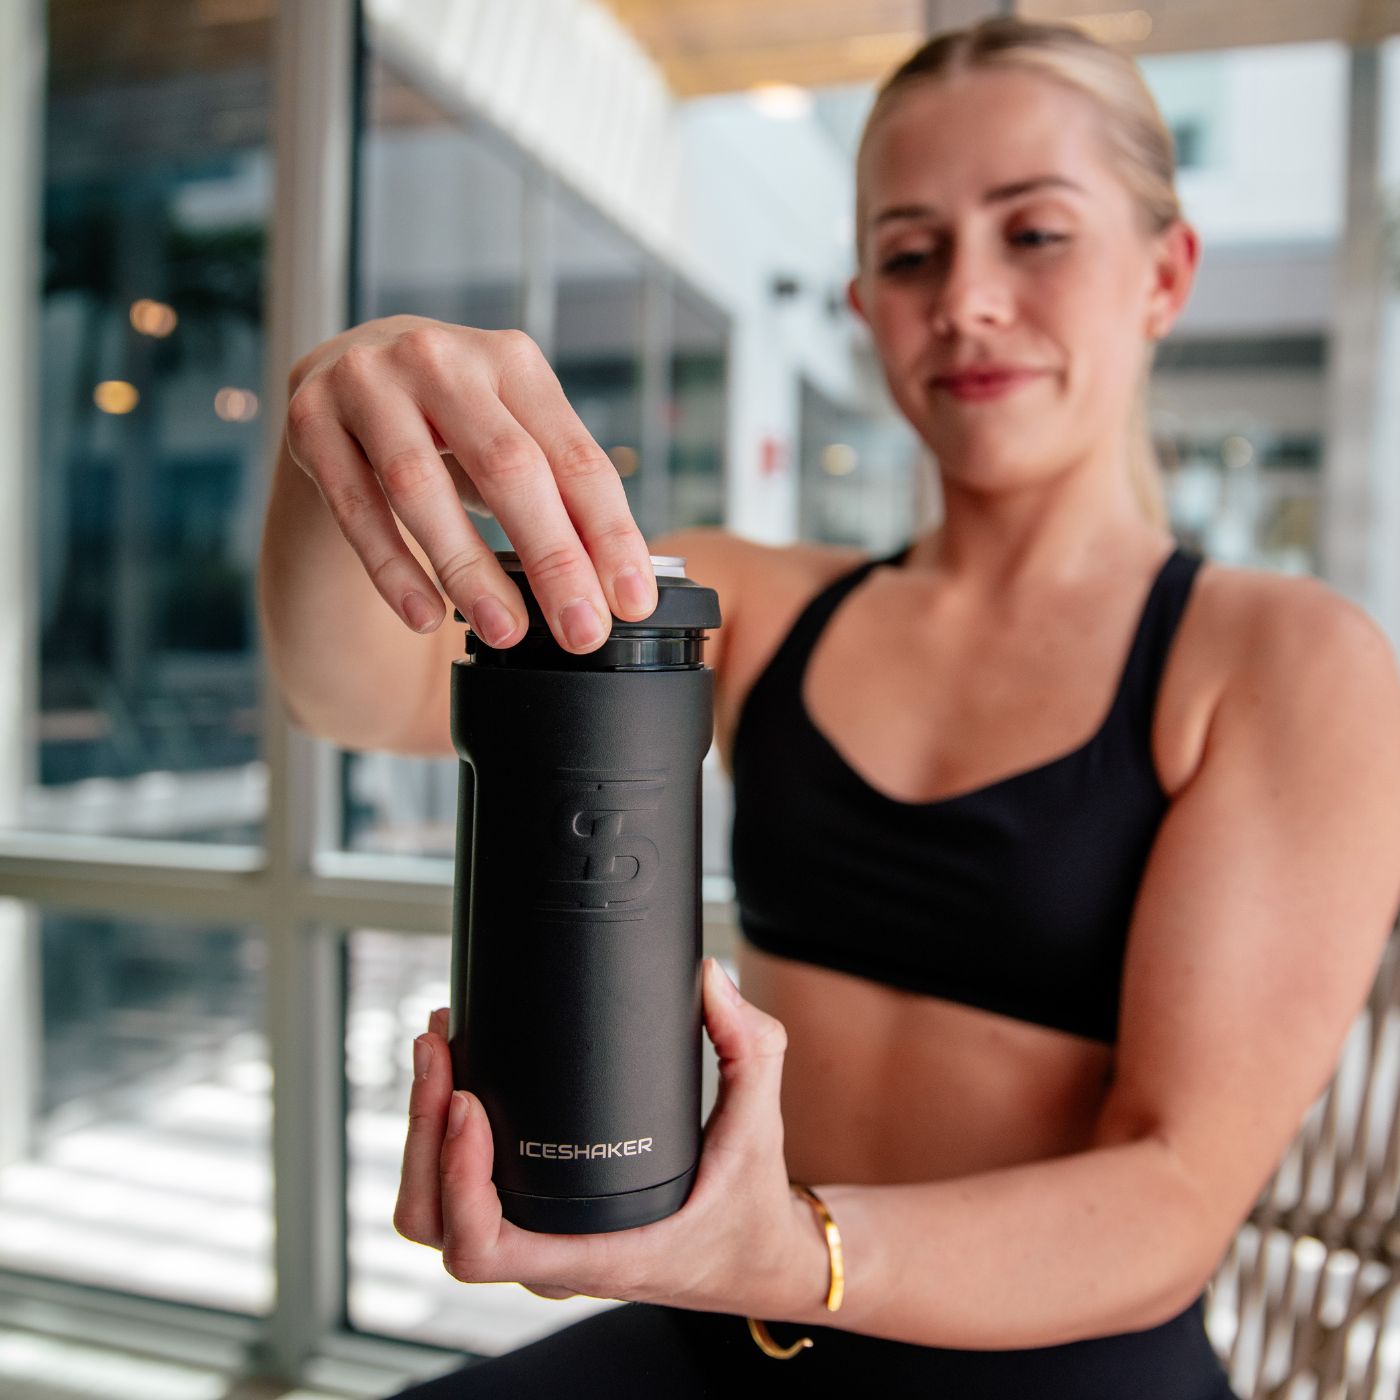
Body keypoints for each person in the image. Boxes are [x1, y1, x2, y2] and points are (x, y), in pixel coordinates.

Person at [257, 16, 1400, 1399]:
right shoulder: (758, 602)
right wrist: (339, 424)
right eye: (910, 253)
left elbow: (1170, 1199)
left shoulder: (1287, 661)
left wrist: (781, 1251)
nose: (966, 300)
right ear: (862, 307)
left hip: (1060, 1366)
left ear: (1166, 273)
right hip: (736, 1326)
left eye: (1034, 234)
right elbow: (348, 686)